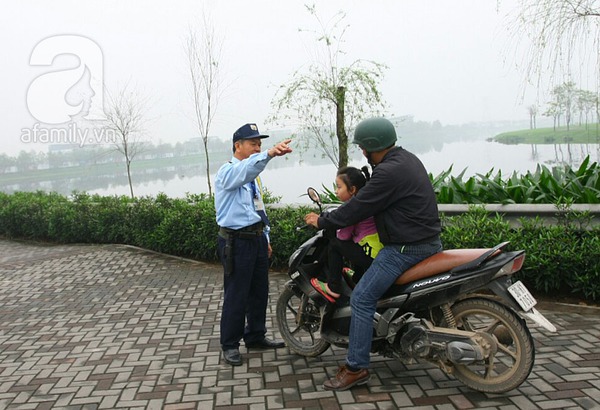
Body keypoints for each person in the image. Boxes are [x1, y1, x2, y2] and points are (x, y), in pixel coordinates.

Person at [304, 117, 442, 391]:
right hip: (426, 241)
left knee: (363, 298)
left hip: (405, 248)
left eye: (362, 147)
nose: (362, 152)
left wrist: (323, 222)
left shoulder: (388, 172)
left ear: (369, 147)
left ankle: (356, 368)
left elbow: (358, 208)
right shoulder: (406, 160)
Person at [215, 122, 292, 366]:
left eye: (260, 144)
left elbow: (258, 207)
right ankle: (229, 344)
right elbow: (246, 171)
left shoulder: (253, 176)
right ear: (237, 146)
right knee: (237, 294)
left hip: (256, 239)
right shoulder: (228, 171)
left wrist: (265, 237)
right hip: (236, 241)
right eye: (253, 144)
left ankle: (255, 336)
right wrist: (268, 154)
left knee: (259, 291)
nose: (258, 147)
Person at [310, 166, 383, 302]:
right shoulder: (363, 201)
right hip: (377, 252)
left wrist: (332, 226)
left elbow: (344, 236)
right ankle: (355, 279)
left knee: (335, 245)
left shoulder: (353, 208)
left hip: (371, 255)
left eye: (339, 187)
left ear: (353, 189)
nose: (336, 192)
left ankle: (333, 287)